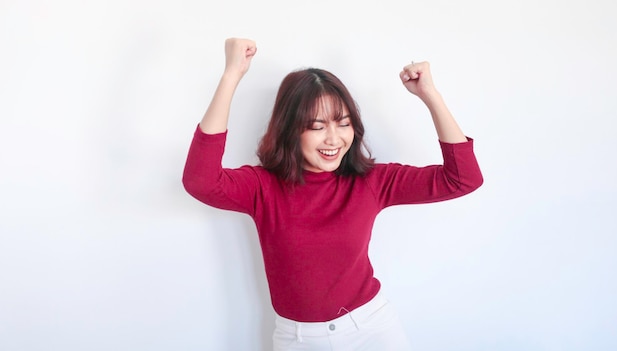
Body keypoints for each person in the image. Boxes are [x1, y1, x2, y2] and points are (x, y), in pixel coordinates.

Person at [183, 38, 483, 351]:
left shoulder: (372, 182)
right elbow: (200, 181)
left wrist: (430, 95)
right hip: (298, 340)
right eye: (316, 126)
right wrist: (231, 76)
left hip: (372, 330)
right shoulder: (262, 187)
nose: (333, 138)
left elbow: (463, 179)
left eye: (343, 123)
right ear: (290, 130)